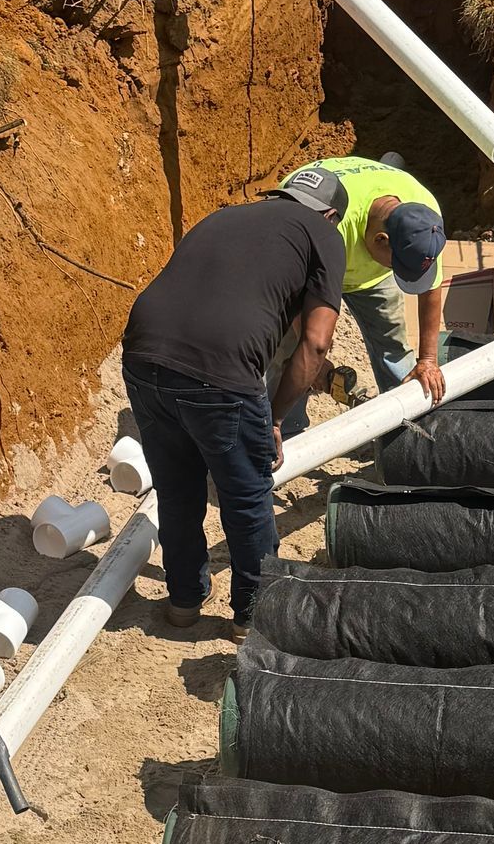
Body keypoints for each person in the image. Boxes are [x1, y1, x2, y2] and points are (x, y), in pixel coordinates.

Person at [121, 174, 343, 633]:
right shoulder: (321, 233)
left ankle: (183, 602)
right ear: (330, 215)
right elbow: (316, 344)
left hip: (144, 354)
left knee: (177, 487)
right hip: (220, 370)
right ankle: (253, 618)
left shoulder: (225, 213)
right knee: (246, 497)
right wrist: (275, 418)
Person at [273, 153, 450, 439]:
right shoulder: (322, 215)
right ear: (382, 240)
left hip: (366, 276)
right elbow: (290, 290)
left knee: (391, 342)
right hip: (307, 270)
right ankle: (286, 436)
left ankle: (405, 433)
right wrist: (312, 358)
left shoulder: (424, 216)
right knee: (293, 353)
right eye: (398, 267)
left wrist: (428, 359)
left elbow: (431, 288)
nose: (401, 275)